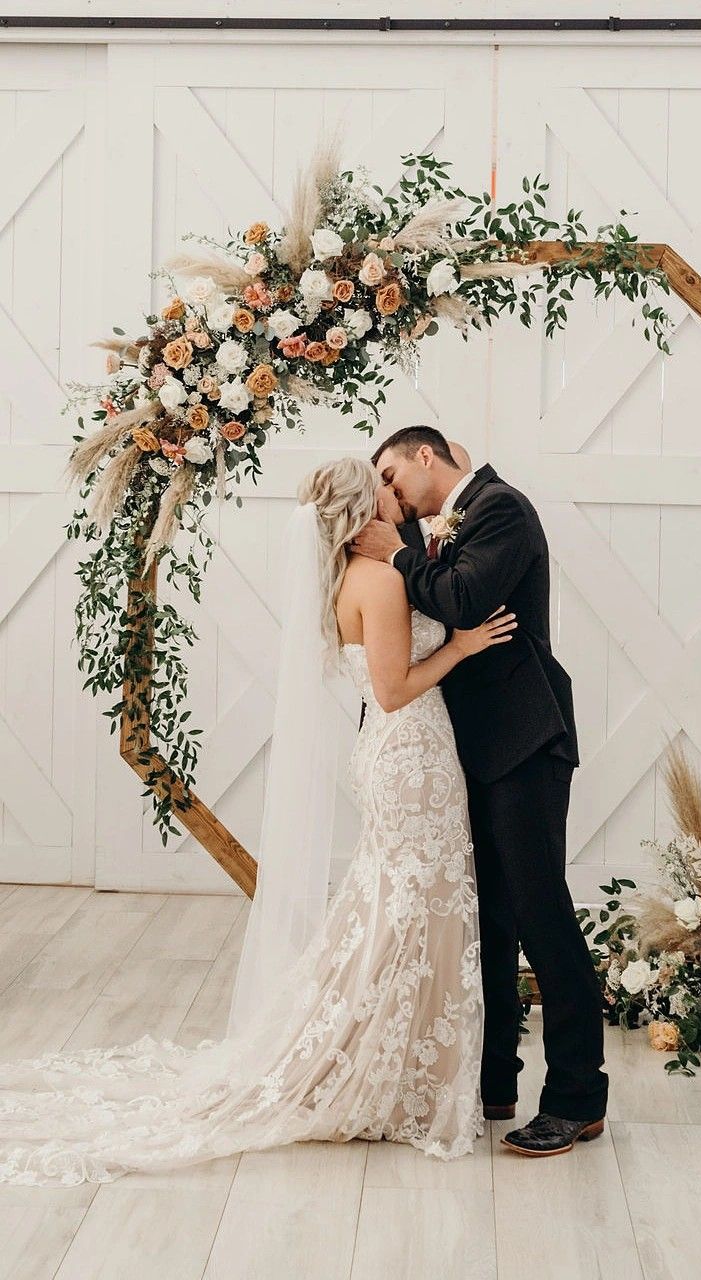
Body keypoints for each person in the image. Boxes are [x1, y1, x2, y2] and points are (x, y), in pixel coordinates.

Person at [0, 458, 517, 1186]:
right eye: (382, 487)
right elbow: (397, 690)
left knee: (395, 911)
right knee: (411, 912)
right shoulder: (383, 579)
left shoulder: (347, 578)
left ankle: (393, 1064)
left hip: (395, 759)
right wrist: (462, 645)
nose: (393, 493)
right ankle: (389, 1074)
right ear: (361, 506)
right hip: (412, 755)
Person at [351, 426, 609, 1157]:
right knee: (486, 919)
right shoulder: (431, 526)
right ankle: (494, 1080)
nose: (394, 494)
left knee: (539, 913)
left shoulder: (501, 507)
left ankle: (577, 1097)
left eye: (395, 475)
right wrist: (394, 537)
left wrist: (399, 554)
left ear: (426, 455)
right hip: (468, 750)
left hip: (525, 742)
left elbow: (464, 601)